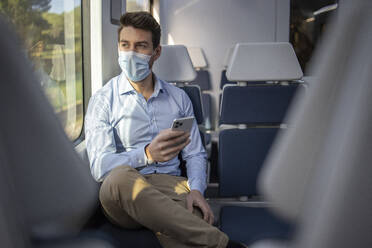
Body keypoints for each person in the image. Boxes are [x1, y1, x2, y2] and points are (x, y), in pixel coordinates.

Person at [85, 12, 245, 248]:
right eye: (125, 45)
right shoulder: (103, 100)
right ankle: (224, 245)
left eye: (140, 46)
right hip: (124, 192)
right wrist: (147, 154)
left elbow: (194, 154)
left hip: (170, 186)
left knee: (194, 217)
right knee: (119, 178)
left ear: (156, 52)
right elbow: (100, 167)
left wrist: (197, 190)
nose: (130, 54)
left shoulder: (179, 99)